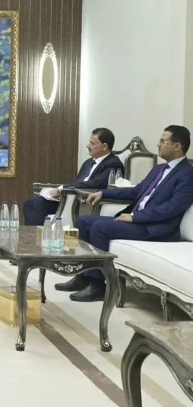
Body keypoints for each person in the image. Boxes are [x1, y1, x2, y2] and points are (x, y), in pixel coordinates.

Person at [63, 125, 193, 302]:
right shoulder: (159, 169)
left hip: (155, 228)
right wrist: (103, 193)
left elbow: (173, 207)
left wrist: (134, 217)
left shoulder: (187, 174)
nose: (158, 144)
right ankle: (83, 276)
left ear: (177, 146)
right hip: (139, 221)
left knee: (100, 228)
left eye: (163, 141)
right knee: (83, 222)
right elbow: (136, 191)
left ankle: (98, 285)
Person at [23, 127, 124, 225]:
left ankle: (39, 234)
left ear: (104, 146)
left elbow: (96, 184)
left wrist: (62, 188)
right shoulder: (88, 162)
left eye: (92, 143)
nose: (87, 146)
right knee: (29, 203)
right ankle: (33, 234)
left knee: (39, 203)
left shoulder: (113, 164)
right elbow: (78, 182)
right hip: (71, 199)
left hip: (85, 203)